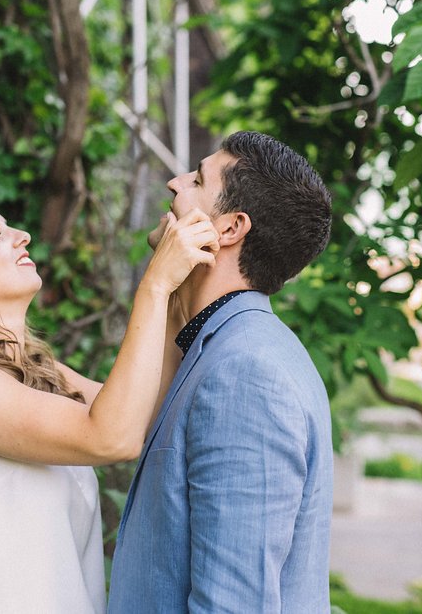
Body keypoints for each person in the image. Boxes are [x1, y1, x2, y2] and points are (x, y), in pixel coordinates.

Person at [0, 189, 218, 613]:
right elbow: (112, 438)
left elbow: (151, 411)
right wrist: (154, 284)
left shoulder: (42, 373)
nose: (22, 235)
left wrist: (177, 287)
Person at [108, 131, 335, 612]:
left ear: (229, 229)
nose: (173, 183)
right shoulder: (227, 347)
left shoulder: (247, 375)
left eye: (195, 179)